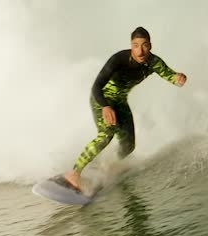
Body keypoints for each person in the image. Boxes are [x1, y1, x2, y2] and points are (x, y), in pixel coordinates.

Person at [61, 26, 187, 193]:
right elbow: (96, 86)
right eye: (135, 45)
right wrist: (106, 106)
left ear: (150, 45)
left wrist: (179, 78)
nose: (140, 51)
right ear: (131, 45)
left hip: (120, 102)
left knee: (128, 146)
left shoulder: (154, 62)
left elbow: (170, 76)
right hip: (102, 99)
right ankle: (74, 173)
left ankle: (107, 166)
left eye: (144, 45)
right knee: (107, 134)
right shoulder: (119, 59)